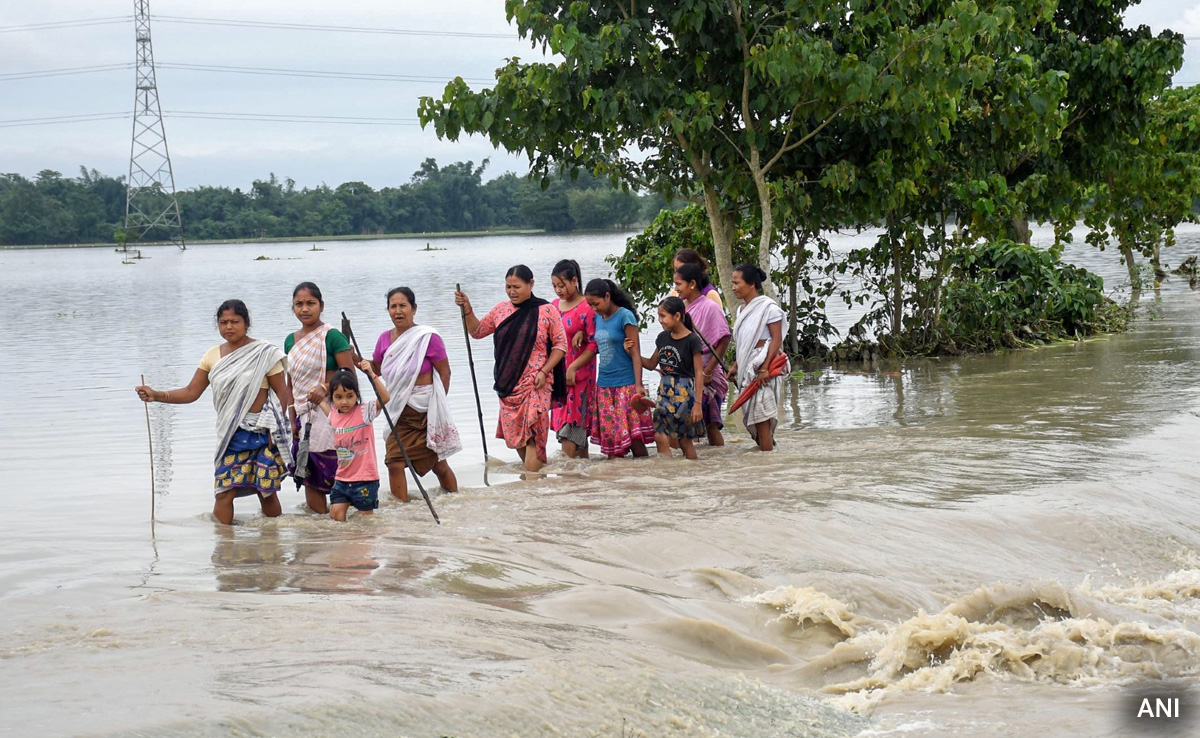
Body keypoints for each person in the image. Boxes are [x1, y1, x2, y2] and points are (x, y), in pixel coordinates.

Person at [135, 300, 294, 525]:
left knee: (266, 492)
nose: (229, 327)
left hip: (261, 432)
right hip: (230, 435)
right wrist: (157, 395)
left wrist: (275, 429)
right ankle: (223, 542)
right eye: (223, 322)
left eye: (234, 321)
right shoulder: (212, 356)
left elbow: (282, 392)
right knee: (223, 492)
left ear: (246, 323)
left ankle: (274, 538)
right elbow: (191, 392)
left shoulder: (264, 353)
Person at [455, 265, 568, 472]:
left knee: (533, 437)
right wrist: (467, 308)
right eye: (508, 287)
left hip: (536, 384)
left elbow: (561, 346)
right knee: (520, 441)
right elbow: (477, 331)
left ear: (531, 284)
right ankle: (536, 480)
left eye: (517, 287)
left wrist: (544, 371)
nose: (512, 292)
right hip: (509, 386)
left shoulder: (547, 310)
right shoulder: (501, 310)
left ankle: (532, 482)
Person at [370, 287, 461, 502]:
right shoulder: (384, 339)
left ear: (414, 308)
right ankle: (402, 508)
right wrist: (354, 358)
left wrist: (437, 406)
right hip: (398, 412)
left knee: (438, 464)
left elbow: (445, 372)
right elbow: (376, 369)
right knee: (394, 462)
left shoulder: (427, 338)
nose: (398, 311)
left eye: (403, 306)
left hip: (425, 412)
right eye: (393, 306)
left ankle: (456, 500)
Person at [284, 282, 353, 514]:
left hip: (331, 412)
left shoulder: (332, 336)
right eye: (299, 304)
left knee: (336, 466)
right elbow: (291, 383)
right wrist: (291, 417)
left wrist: (325, 387)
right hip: (303, 414)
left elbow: (348, 374)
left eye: (310, 303)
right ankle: (319, 521)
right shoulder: (291, 341)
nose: (305, 309)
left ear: (321, 306)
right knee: (309, 469)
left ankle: (340, 523)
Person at [584, 278, 654, 459]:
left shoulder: (625, 316)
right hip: (604, 386)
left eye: (596, 303)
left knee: (635, 440)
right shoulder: (597, 317)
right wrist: (579, 334)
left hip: (626, 384)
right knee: (611, 445)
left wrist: (638, 385)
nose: (594, 308)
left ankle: (647, 474)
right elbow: (598, 345)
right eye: (590, 305)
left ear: (607, 297)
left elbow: (636, 353)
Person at [318, 363, 388, 521]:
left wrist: (372, 374)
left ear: (357, 394)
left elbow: (385, 398)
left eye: (349, 396)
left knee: (365, 520)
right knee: (335, 515)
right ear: (332, 397)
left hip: (365, 479)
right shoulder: (334, 415)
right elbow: (326, 408)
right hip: (342, 479)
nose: (344, 402)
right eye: (338, 397)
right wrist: (318, 399)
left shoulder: (365, 411)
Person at [639, 297, 705, 460]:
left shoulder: (692, 340)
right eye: (659, 316)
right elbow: (651, 363)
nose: (660, 320)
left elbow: (699, 372)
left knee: (684, 440)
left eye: (663, 316)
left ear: (677, 316)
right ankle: (666, 469)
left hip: (685, 394)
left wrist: (698, 404)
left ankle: (692, 469)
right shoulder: (662, 337)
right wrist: (632, 353)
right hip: (664, 391)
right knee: (659, 432)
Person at [730, 264, 786, 451]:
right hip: (747, 366)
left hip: (763, 366)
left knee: (762, 417)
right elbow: (744, 344)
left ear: (751, 284)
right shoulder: (741, 311)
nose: (734, 288)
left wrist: (764, 368)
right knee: (754, 416)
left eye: (737, 283)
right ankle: (766, 453)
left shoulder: (769, 308)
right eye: (732, 283)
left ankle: (767, 461)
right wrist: (736, 366)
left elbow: (776, 340)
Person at [675, 263, 732, 446]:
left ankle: (718, 457)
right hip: (686, 373)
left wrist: (708, 370)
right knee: (684, 424)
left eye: (679, 284)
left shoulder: (710, 307)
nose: (676, 289)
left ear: (692, 284)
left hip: (708, 374)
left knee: (710, 424)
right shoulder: (680, 309)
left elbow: (724, 338)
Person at [550, 259, 597, 459]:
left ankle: (566, 476)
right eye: (554, 286)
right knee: (577, 443)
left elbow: (594, 344)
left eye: (561, 285)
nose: (558, 290)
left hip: (580, 380)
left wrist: (574, 367)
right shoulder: (553, 307)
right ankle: (582, 476)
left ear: (575, 281)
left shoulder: (588, 307)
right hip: (559, 380)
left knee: (571, 433)